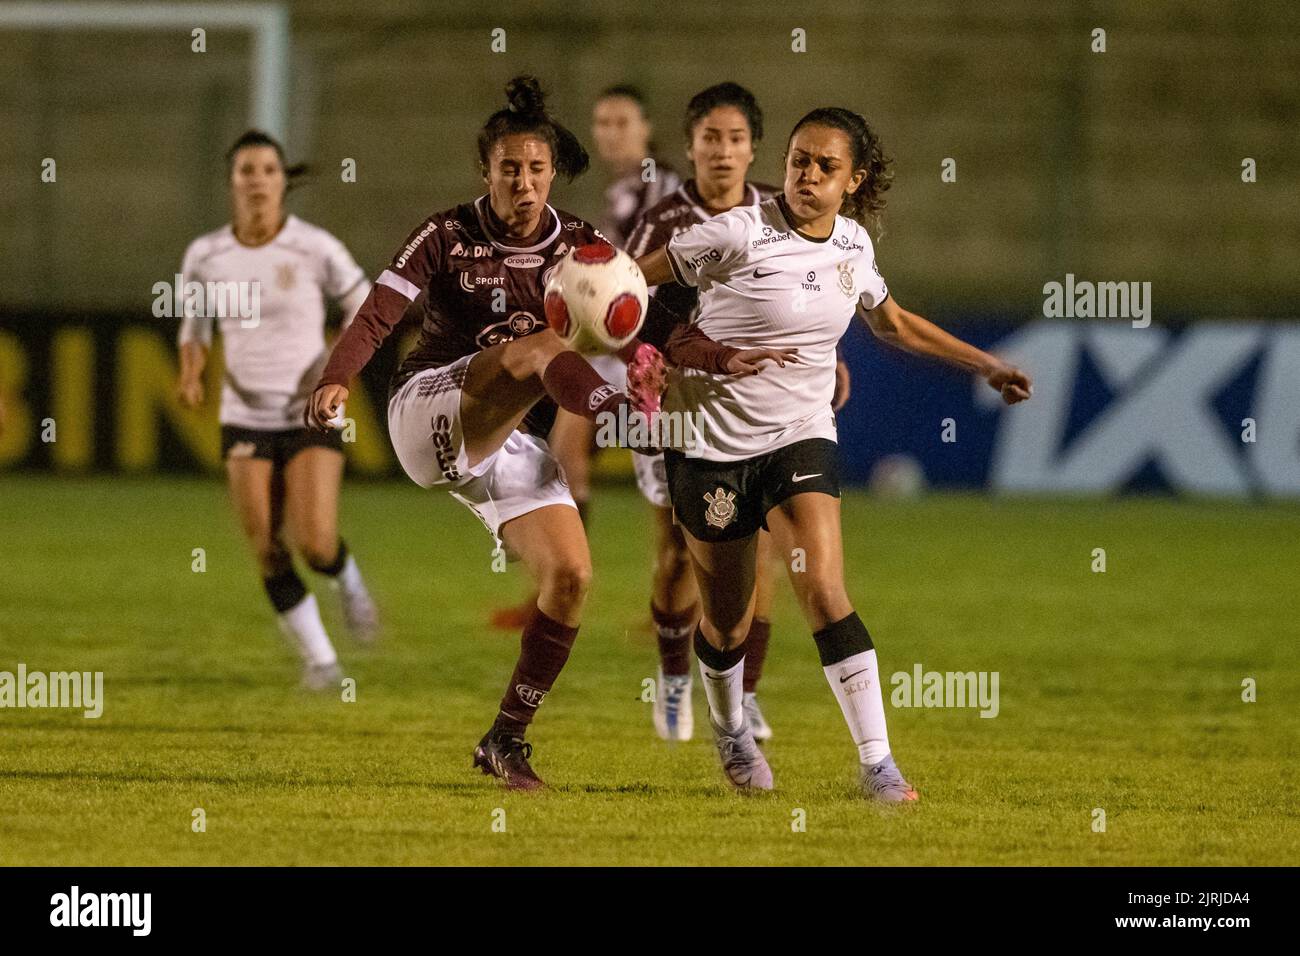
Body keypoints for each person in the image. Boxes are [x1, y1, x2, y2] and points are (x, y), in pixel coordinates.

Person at [304, 76, 790, 791]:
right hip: (428, 411)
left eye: (535, 170)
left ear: (551, 172)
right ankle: (617, 418)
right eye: (509, 170)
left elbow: (644, 318)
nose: (523, 184)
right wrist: (336, 376)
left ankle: (506, 739)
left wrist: (715, 358)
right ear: (486, 172)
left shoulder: (582, 245)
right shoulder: (446, 234)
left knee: (571, 575)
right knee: (541, 347)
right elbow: (378, 313)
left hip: (497, 441)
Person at [633, 107, 1033, 800]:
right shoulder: (735, 233)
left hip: (801, 435)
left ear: (854, 179)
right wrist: (607, 320)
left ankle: (878, 763)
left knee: (822, 588)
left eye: (825, 166)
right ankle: (730, 731)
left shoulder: (852, 246)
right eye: (798, 160)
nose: (807, 175)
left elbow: (895, 323)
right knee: (726, 618)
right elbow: (633, 285)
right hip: (711, 445)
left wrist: (985, 366)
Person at [176, 130, 378, 691]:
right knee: (266, 548)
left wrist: (337, 368)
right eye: (246, 170)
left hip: (310, 413)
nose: (258, 180)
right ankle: (322, 663)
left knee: (315, 543)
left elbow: (364, 304)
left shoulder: (314, 247)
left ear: (282, 180)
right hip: (243, 414)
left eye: (268, 169)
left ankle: (348, 579)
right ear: (232, 182)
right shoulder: (206, 254)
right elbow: (194, 327)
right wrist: (191, 373)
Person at [490, 84, 683, 631]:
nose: (610, 133)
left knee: (661, 478)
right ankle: (555, 586)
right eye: (602, 123)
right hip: (607, 344)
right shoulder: (624, 189)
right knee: (564, 457)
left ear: (646, 130)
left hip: (649, 347)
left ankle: (671, 599)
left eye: (622, 122)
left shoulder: (660, 189)